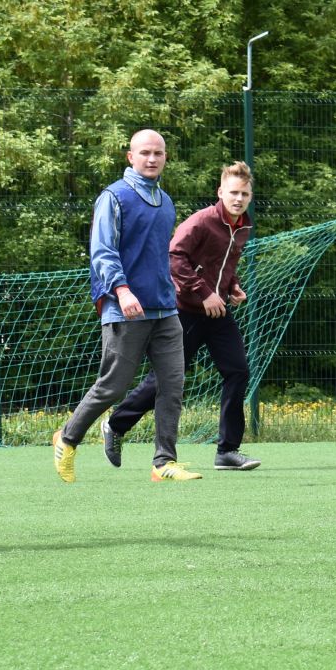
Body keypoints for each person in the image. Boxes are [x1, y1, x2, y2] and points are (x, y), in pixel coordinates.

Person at [53, 129, 200, 483]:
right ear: (130, 157)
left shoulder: (166, 202)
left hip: (165, 311)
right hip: (125, 309)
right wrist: (122, 290)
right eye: (145, 152)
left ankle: (163, 462)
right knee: (113, 386)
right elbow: (102, 252)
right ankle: (67, 438)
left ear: (166, 158)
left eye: (159, 153)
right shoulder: (113, 197)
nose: (152, 159)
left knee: (172, 385)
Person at [103, 160, 260, 471]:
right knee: (164, 381)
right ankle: (116, 425)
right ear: (220, 192)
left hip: (217, 313)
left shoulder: (243, 225)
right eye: (233, 192)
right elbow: (174, 258)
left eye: (244, 193)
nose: (238, 198)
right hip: (185, 311)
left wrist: (233, 286)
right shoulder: (200, 222)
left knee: (238, 371)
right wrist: (204, 293)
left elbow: (223, 267)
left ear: (250, 196)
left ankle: (227, 451)